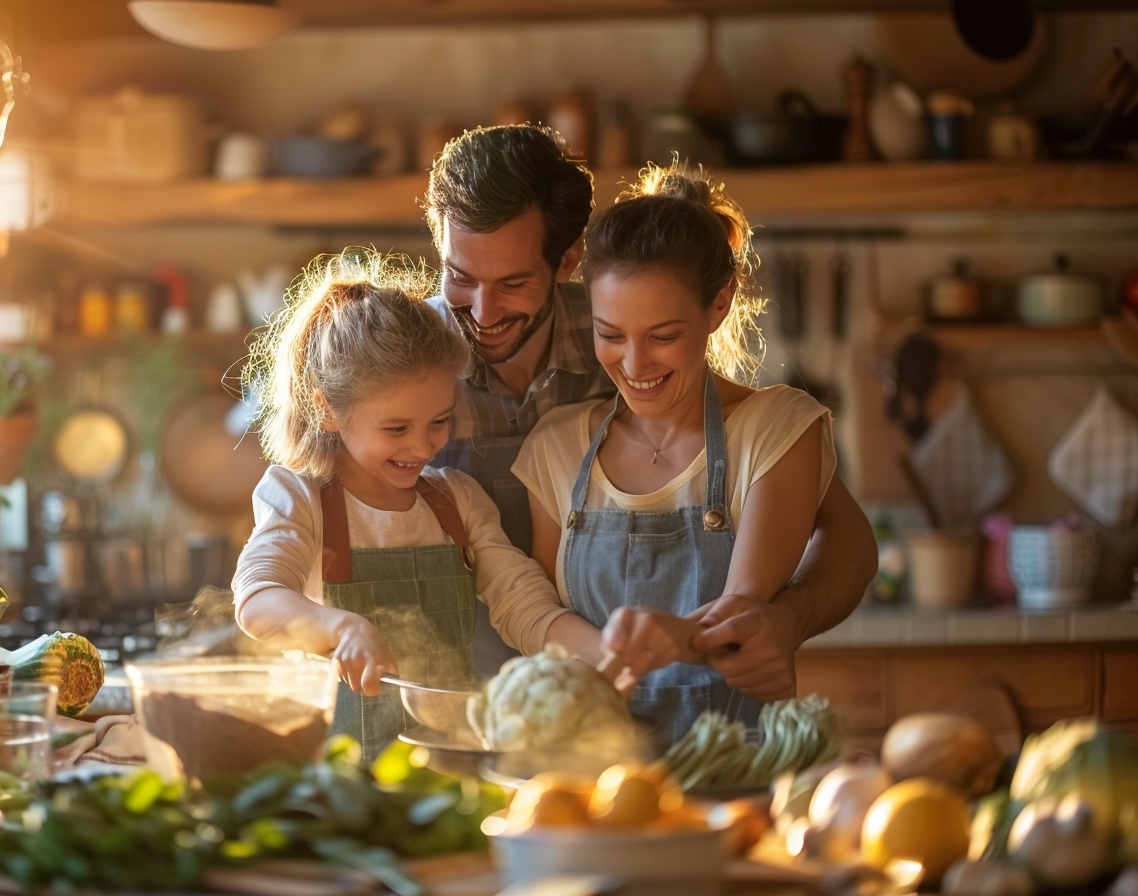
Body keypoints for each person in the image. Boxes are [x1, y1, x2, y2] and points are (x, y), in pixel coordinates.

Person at [424, 124, 877, 696]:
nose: (483, 312)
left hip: (602, 713)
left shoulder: (623, 321)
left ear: (567, 263)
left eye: (513, 282)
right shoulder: (407, 358)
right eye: (461, 278)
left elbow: (847, 540)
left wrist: (786, 619)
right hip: (446, 693)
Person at [230, 251, 599, 760]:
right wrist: (343, 628)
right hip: (339, 781)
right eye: (397, 428)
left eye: (439, 421)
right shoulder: (300, 497)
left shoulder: (457, 501)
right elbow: (257, 600)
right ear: (328, 409)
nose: (424, 446)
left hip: (448, 769)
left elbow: (525, 606)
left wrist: (604, 656)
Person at [514, 163, 833, 749]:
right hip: (592, 785)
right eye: (611, 335)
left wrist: (676, 635)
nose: (634, 366)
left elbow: (744, 616)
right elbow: (546, 628)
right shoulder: (555, 448)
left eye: (662, 336)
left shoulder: (777, 429)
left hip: (733, 777)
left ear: (719, 304)